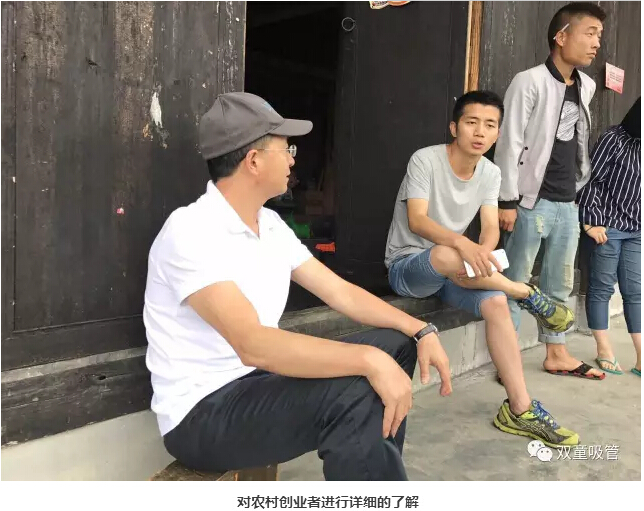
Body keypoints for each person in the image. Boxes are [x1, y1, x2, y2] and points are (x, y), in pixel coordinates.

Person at [143, 91, 454, 481]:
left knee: (395, 344)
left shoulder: (270, 224)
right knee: (356, 391)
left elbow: (340, 292)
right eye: (286, 148)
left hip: (259, 381)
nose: (293, 159)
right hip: (203, 412)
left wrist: (419, 329)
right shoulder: (191, 231)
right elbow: (253, 344)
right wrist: (367, 360)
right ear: (253, 161)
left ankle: (377, 476)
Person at [385, 90, 580, 447]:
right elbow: (417, 220)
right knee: (445, 254)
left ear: (497, 134)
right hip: (410, 266)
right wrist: (464, 246)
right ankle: (523, 291)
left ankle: (519, 409)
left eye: (490, 125)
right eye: (472, 122)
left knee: (496, 303)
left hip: (457, 272)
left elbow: (490, 228)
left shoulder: (490, 172)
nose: (480, 132)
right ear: (454, 127)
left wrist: (482, 254)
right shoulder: (425, 160)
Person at [494, 2, 607, 380]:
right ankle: (507, 359)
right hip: (530, 200)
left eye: (599, 35)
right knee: (515, 282)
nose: (596, 43)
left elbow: (576, 140)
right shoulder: (528, 81)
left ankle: (556, 352)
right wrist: (507, 200)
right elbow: (510, 141)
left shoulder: (587, 85)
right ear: (561, 37)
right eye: (589, 33)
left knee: (560, 283)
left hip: (567, 202)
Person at [577, 97, 641, 377]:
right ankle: (604, 350)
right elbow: (592, 180)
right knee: (602, 288)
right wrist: (591, 221)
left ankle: (641, 356)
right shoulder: (614, 138)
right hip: (608, 226)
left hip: (636, 228)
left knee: (635, 292)